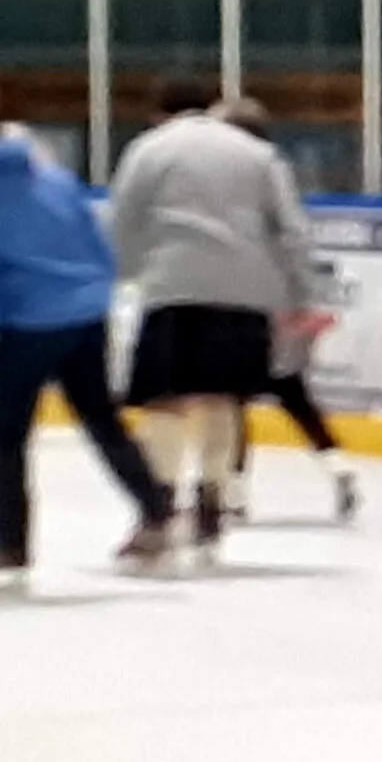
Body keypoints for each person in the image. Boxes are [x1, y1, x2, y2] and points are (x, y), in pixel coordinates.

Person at [110, 76, 319, 564]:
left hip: (172, 285)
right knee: (222, 397)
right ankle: (212, 500)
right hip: (245, 291)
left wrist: (133, 274)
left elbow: (125, 220)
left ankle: (161, 503)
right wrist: (301, 295)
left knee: (165, 400)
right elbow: (291, 229)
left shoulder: (149, 149)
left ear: (159, 111)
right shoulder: (258, 154)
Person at [0, 128, 177, 584]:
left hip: (26, 319)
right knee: (101, 417)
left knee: (7, 435)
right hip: (86, 313)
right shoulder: (57, 181)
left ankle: (10, 543)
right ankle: (156, 508)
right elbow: (100, 244)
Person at [214, 100, 359, 524]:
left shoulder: (239, 178)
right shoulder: (273, 172)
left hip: (246, 298)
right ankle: (338, 465)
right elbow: (295, 237)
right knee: (291, 390)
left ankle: (233, 490)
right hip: (279, 296)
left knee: (231, 396)